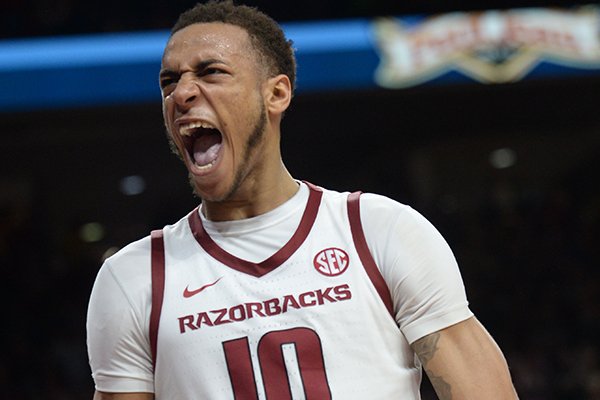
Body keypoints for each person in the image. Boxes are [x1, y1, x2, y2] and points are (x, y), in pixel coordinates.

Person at [86, 1, 519, 399]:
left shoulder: (379, 231)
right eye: (170, 81)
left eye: (211, 72)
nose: (182, 94)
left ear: (276, 94)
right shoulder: (132, 278)